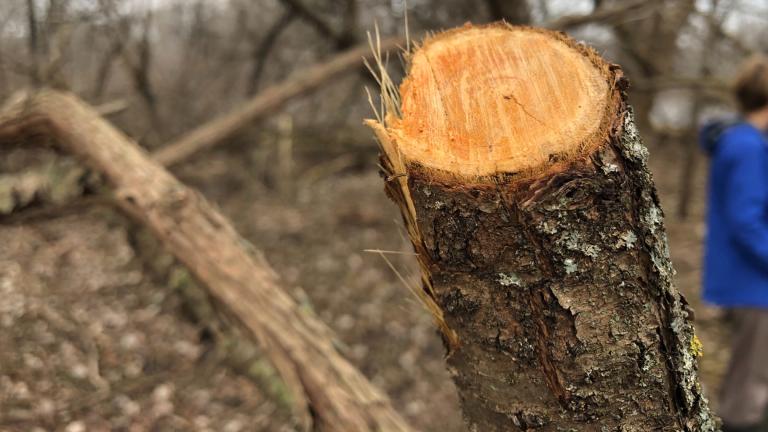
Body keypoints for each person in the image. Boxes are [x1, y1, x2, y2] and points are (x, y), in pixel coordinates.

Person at [701, 56, 768, 432]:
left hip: (753, 282)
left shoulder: (747, 142)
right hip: (754, 286)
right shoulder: (746, 147)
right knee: (748, 392)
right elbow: (746, 221)